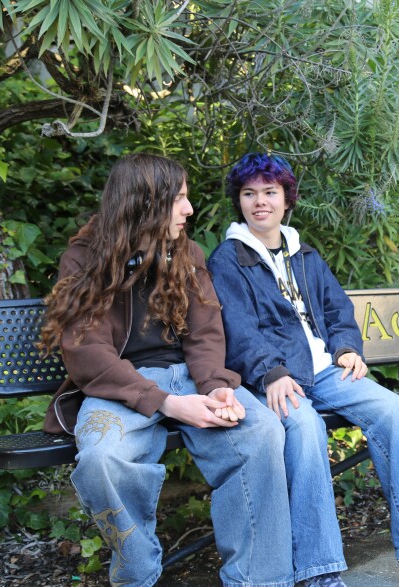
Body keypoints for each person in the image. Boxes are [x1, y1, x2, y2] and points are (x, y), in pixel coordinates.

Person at [207, 153, 399, 586]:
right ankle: (318, 570)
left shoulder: (304, 254)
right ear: (238, 201)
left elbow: (337, 309)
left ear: (286, 199)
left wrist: (347, 347)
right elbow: (235, 328)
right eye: (249, 193)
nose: (260, 202)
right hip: (275, 378)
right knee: (307, 430)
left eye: (270, 192)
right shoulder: (228, 259)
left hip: (326, 370)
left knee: (393, 409)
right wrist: (271, 372)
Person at [38, 153, 294, 586]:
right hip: (119, 388)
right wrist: (168, 404)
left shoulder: (186, 252)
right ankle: (137, 574)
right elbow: (85, 350)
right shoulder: (85, 259)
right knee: (102, 458)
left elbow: (205, 332)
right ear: (145, 201)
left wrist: (214, 386)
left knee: (262, 431)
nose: (189, 210)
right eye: (179, 199)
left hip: (191, 378)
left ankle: (259, 580)